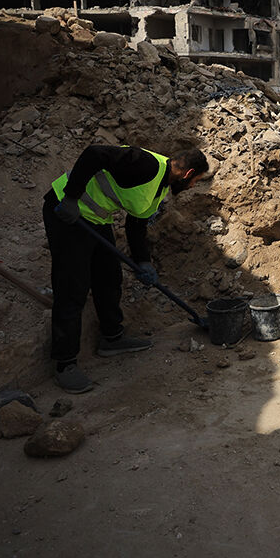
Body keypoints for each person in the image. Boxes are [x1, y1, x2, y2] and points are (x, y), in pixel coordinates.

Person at [44, 144, 211, 393]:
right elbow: (94, 154)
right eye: (195, 181)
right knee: (72, 287)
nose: (192, 187)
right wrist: (70, 197)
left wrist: (143, 261)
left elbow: (136, 225)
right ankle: (65, 364)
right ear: (187, 174)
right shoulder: (145, 164)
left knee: (109, 278)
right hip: (66, 213)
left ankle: (112, 337)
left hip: (95, 220)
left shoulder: (159, 188)